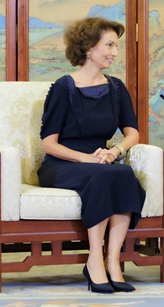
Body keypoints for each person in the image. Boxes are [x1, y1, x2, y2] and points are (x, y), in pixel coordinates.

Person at [38, 17, 145, 294]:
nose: (115, 52)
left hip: (102, 160)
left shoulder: (117, 88)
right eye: (109, 45)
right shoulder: (64, 87)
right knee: (100, 176)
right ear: (88, 48)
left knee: (123, 173)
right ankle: (94, 259)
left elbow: (133, 133)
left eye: (116, 45)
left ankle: (113, 260)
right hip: (62, 165)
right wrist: (85, 158)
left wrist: (115, 151)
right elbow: (49, 144)